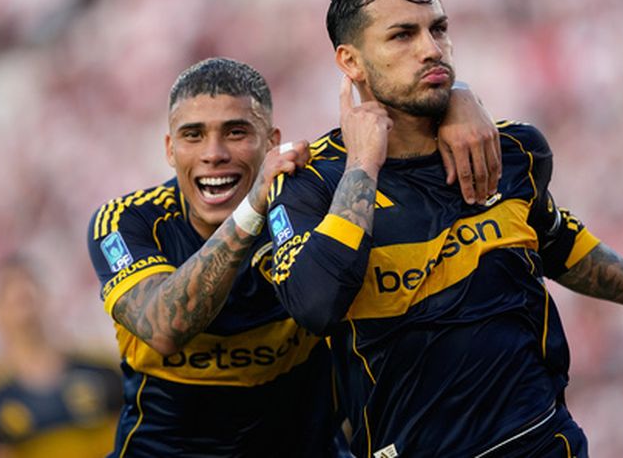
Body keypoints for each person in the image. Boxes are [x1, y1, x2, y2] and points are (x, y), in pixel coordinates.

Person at [266, 0, 623, 457]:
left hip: (542, 440)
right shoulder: (310, 182)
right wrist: (363, 164)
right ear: (351, 62)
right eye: (402, 36)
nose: (431, 49)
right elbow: (315, 305)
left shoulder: (510, 151)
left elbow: (557, 242)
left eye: (438, 29)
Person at [86, 56, 502, 456]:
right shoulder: (127, 221)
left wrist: (457, 100)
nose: (213, 153)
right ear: (169, 149)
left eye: (236, 132)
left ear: (271, 143)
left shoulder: (309, 204)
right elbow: (164, 327)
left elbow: (390, 153)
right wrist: (252, 208)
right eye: (193, 135)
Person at [0, 253, 121, 458]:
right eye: (9, 292)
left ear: (46, 297)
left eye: (27, 287)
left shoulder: (102, 370)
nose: (20, 296)